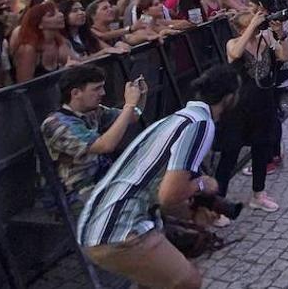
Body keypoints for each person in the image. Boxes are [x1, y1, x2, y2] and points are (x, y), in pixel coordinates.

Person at [76, 65, 241, 289]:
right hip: (118, 228)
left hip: (97, 224)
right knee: (188, 281)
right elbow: (169, 194)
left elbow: (157, 190)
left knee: (156, 283)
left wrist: (190, 213)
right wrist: (203, 184)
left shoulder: (179, 118)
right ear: (229, 97)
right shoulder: (200, 124)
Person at [213, 0, 288, 213]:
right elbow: (236, 53)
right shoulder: (233, 43)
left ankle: (258, 194)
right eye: (251, 23)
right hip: (237, 109)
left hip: (263, 105)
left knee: (261, 150)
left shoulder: (266, 40)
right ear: (241, 28)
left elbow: (285, 57)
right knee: (230, 154)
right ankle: (217, 203)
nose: (257, 25)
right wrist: (252, 26)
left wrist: (280, 35)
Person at [41, 65, 146, 211]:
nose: (103, 93)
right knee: (132, 204)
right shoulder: (56, 124)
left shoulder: (93, 111)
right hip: (75, 193)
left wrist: (141, 96)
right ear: (76, 93)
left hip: (102, 179)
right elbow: (105, 146)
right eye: (96, 89)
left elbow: (132, 116)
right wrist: (129, 105)